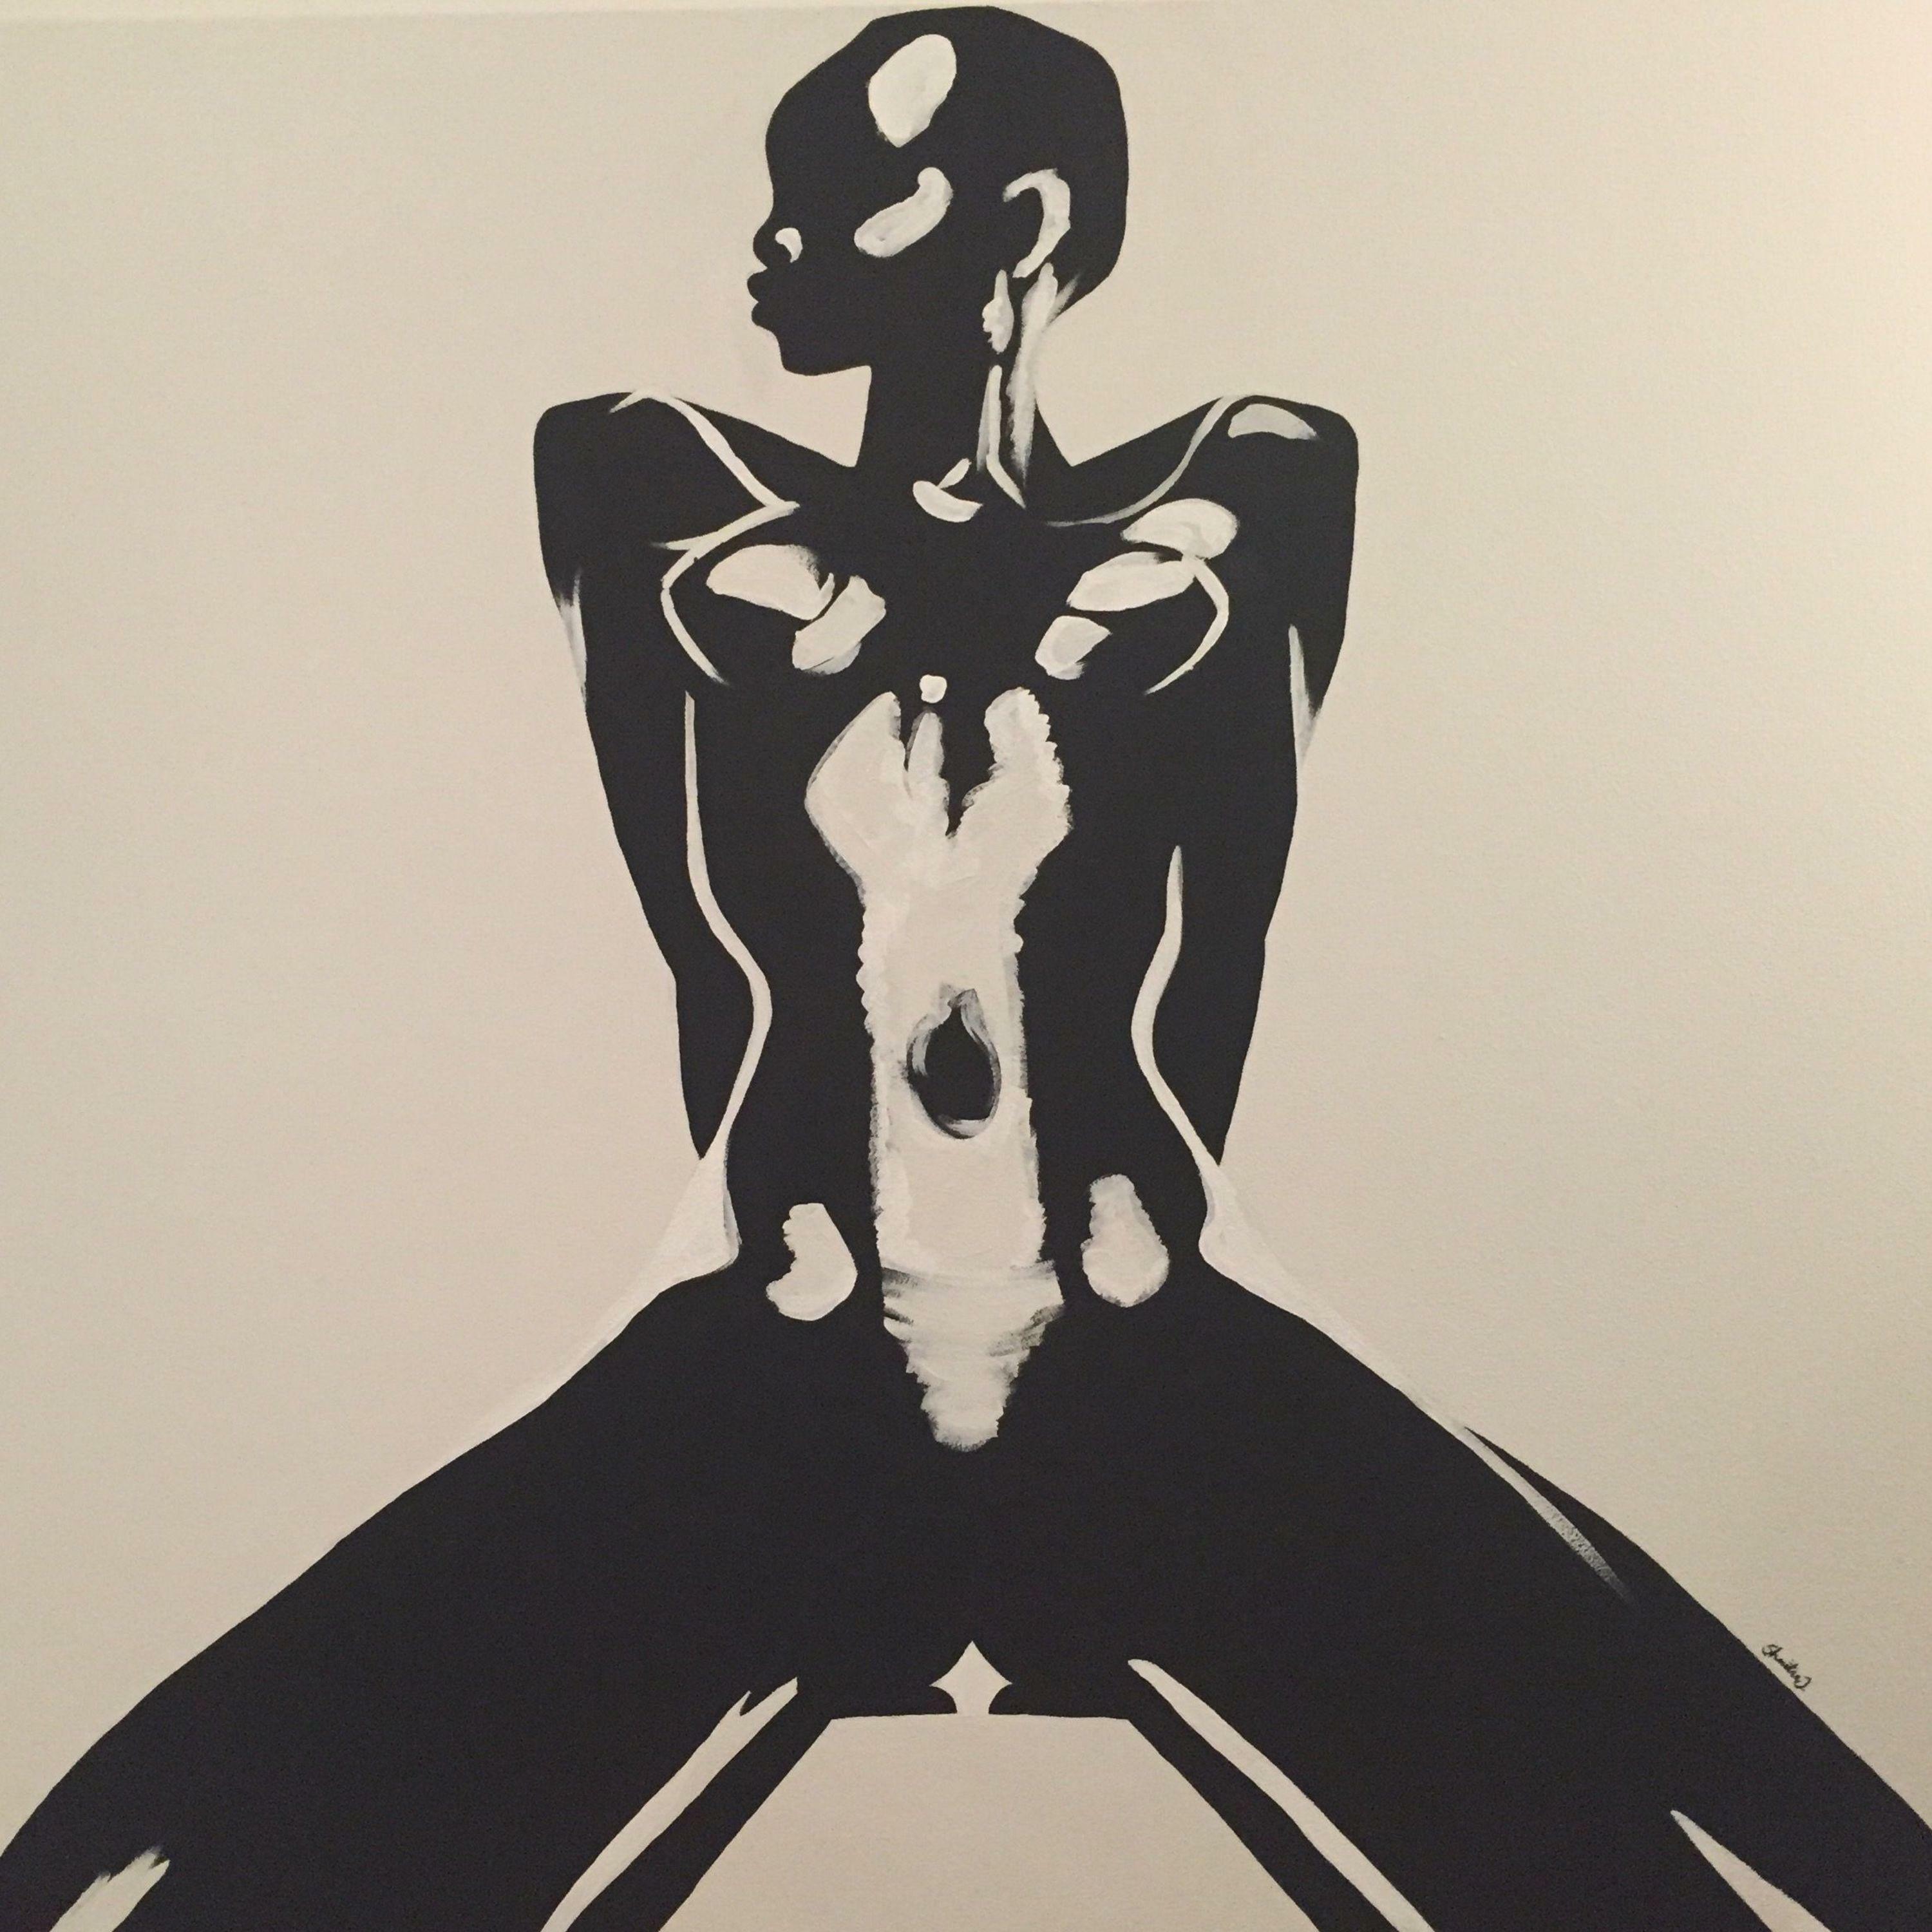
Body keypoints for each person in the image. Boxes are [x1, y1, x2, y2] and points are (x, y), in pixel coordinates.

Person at [4, 10, 1927, 1931]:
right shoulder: (643, 479)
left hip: (1149, 1364)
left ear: (1021, 224)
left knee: (1686, 1849)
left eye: (850, 190)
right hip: (788, 1365)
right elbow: (708, 915)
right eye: (782, 193)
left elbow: (1222, 911)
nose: (776, 238)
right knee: (217, 1861)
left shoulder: (1255, 486)